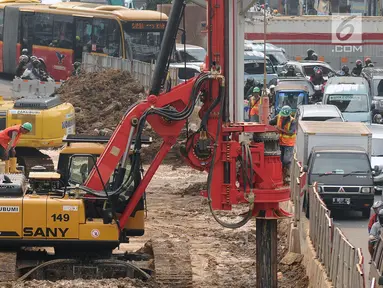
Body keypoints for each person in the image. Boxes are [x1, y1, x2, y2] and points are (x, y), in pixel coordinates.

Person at [269, 106, 296, 183]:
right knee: (280, 160)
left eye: (285, 116)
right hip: (280, 142)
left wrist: (279, 129)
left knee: (286, 160)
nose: (283, 117)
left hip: (288, 144)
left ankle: (287, 176)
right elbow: (270, 123)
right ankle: (280, 175)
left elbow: (291, 132)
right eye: (283, 116)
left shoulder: (292, 121)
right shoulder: (278, 117)